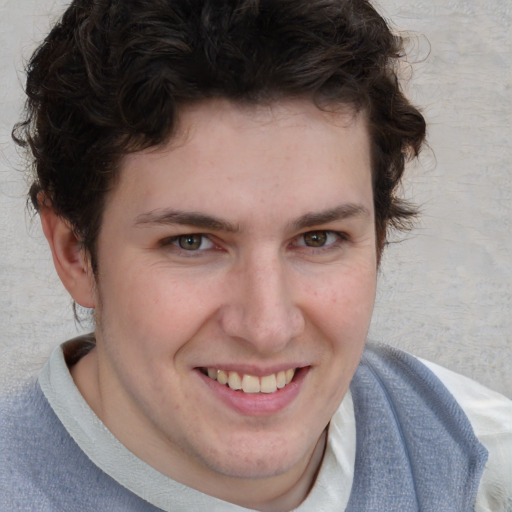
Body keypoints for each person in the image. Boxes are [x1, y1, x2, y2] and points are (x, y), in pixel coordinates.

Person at [1, 0, 511, 510]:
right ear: (75, 254)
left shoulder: (482, 459)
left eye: (318, 238)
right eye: (192, 242)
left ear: (377, 240)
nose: (267, 328)